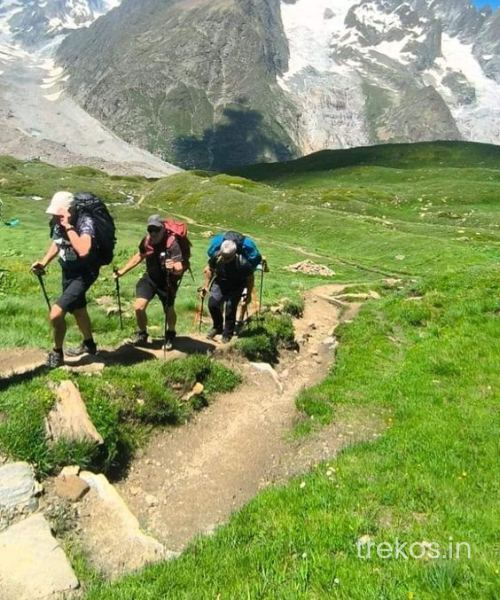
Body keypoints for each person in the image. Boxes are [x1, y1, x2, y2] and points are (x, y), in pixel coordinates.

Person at [31, 191, 100, 368]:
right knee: (79, 310)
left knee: (56, 313)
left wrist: (68, 226)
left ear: (70, 210)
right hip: (68, 273)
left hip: (84, 273)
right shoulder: (57, 223)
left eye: (58, 214)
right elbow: (57, 242)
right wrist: (44, 262)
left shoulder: (85, 223)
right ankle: (89, 344)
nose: (55, 217)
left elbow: (84, 250)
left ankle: (57, 353)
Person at [113, 215, 185, 350]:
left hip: (167, 281)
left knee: (168, 309)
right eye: (150, 229)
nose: (153, 233)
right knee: (138, 307)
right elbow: (139, 256)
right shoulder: (147, 241)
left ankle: (170, 332)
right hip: (150, 279)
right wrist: (122, 272)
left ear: (163, 228)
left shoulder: (171, 242)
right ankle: (142, 333)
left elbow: (179, 268)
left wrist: (173, 268)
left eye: (156, 229)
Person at [201, 239, 254, 342]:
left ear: (234, 254)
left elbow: (250, 279)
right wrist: (206, 286)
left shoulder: (243, 263)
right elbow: (209, 271)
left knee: (230, 307)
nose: (224, 259)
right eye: (223, 256)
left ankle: (227, 333)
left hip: (236, 286)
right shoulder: (216, 258)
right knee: (213, 304)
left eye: (228, 258)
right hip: (220, 283)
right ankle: (217, 327)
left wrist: (249, 294)